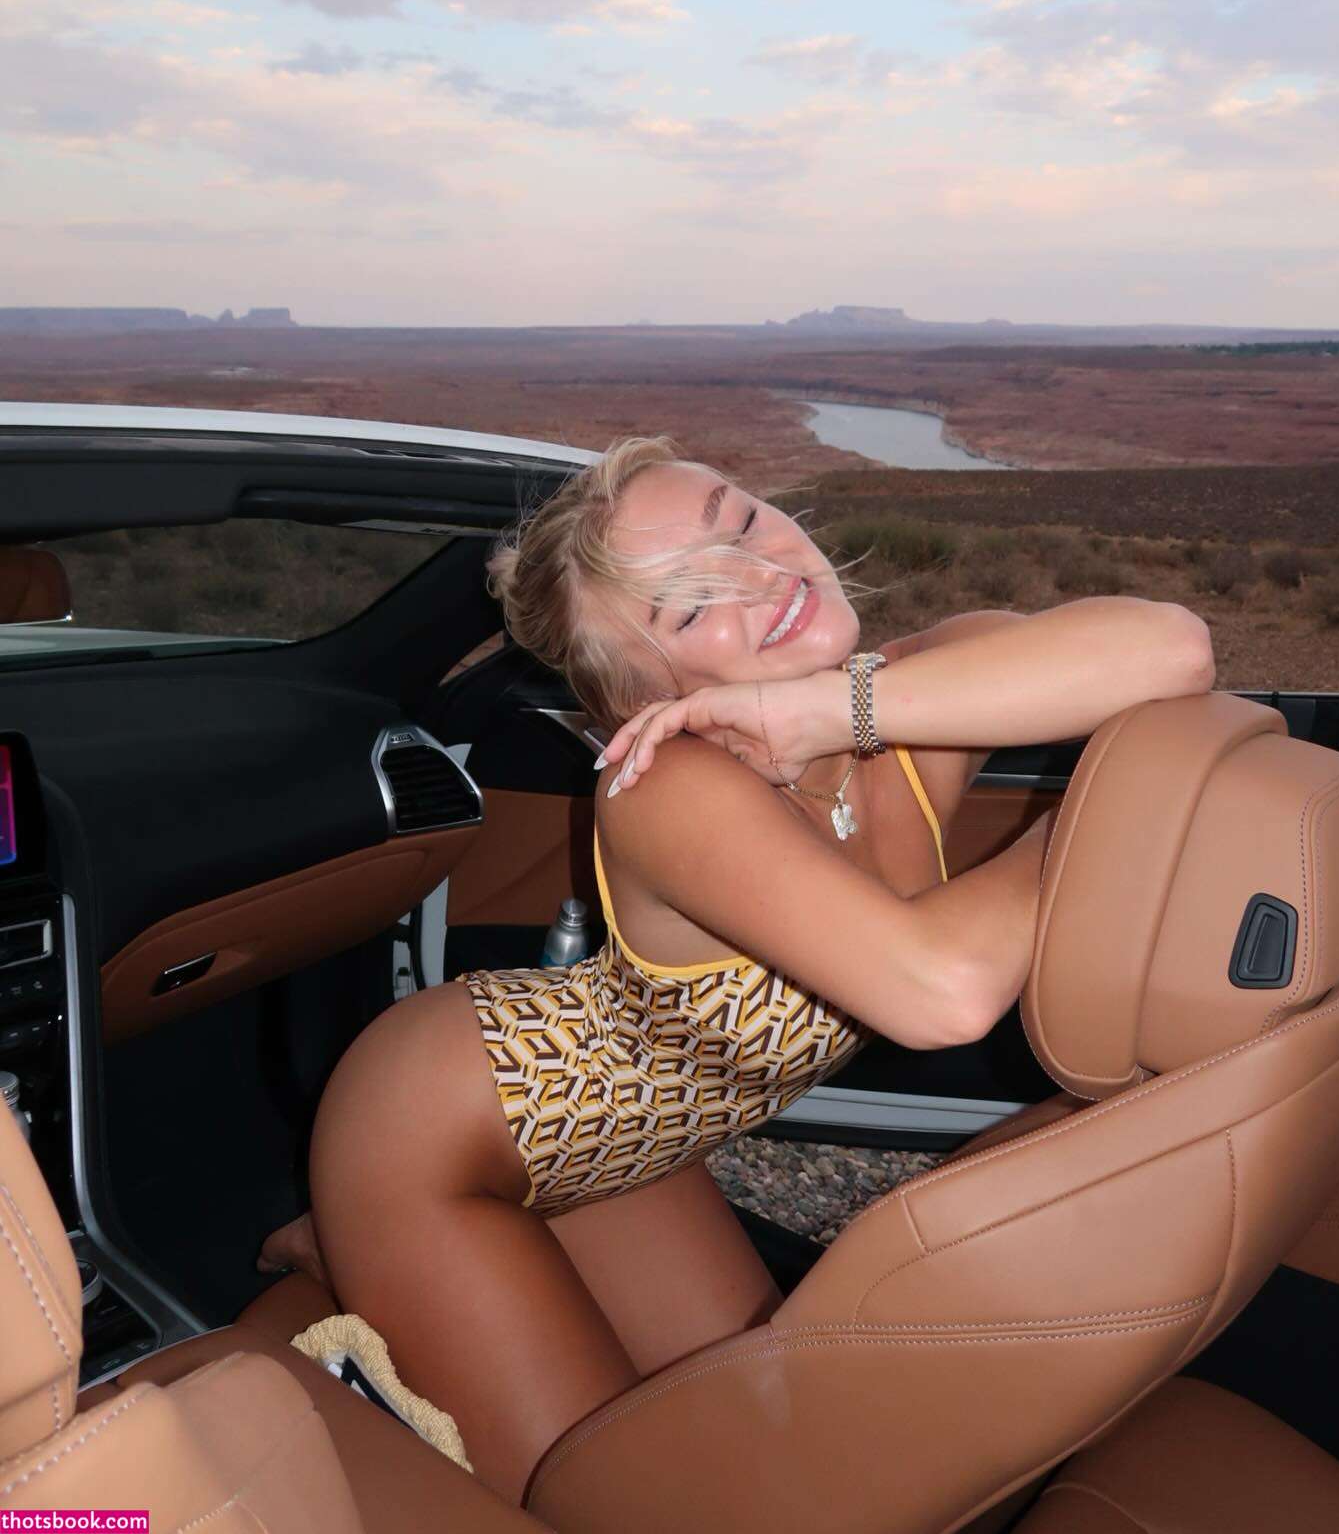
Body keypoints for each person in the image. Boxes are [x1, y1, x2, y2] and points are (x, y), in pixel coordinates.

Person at [269, 434, 1214, 1503]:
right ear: (647, 700)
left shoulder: (902, 700)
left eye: (743, 519)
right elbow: (944, 992)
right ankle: (368, 1247)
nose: (761, 573)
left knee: (756, 1451)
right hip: (438, 1136)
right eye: (689, 605)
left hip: (629, 1150)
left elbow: (1175, 649)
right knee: (621, 1501)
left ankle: (376, 1277)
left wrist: (835, 708)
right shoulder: (665, 786)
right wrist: (1104, 820)